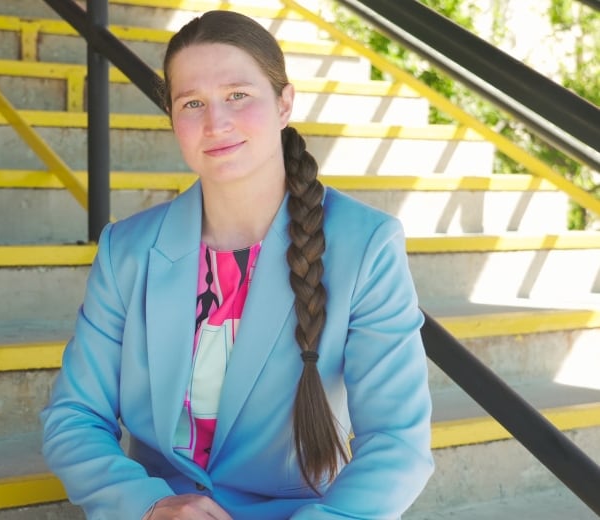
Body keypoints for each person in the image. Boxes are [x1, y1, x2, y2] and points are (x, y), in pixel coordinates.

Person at [41, 10, 434, 520]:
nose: (215, 122)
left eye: (238, 95)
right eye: (192, 103)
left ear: (284, 103)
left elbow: (398, 442)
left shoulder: (365, 246)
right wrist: (149, 504)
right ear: (172, 117)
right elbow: (73, 416)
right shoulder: (127, 250)